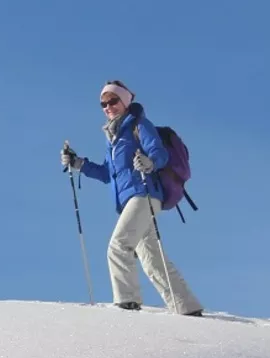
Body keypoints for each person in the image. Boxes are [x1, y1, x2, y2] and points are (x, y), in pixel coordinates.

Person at [60, 80, 203, 316]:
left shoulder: (139, 125)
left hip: (144, 194)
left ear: (125, 102)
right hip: (130, 199)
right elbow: (108, 173)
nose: (108, 107)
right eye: (103, 103)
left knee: (119, 245)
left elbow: (159, 152)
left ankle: (127, 302)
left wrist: (150, 162)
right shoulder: (113, 138)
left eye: (113, 101)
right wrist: (78, 164)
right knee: (150, 256)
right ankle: (187, 306)